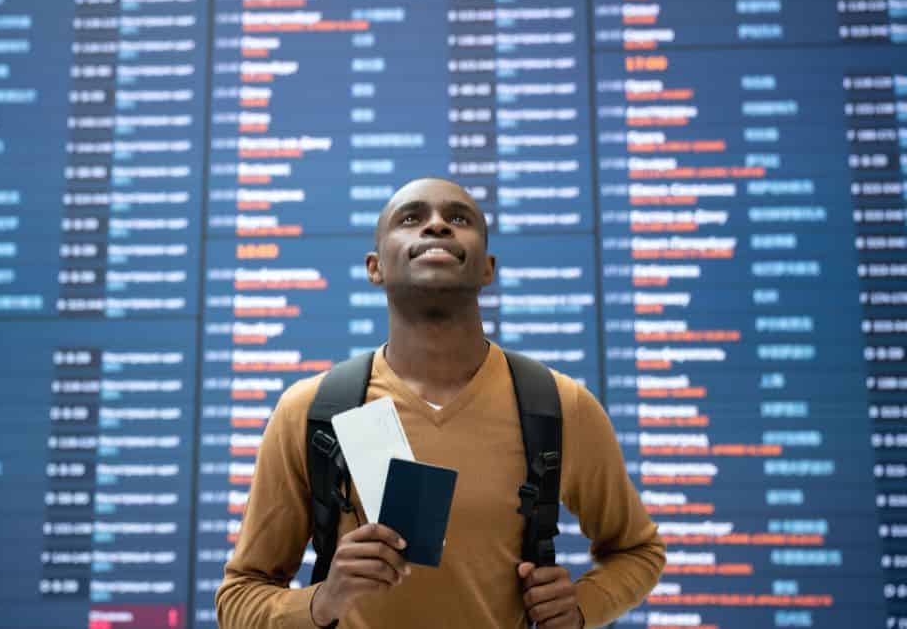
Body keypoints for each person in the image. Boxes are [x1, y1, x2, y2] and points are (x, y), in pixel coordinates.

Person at [216, 178, 666, 628]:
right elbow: (239, 598)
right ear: (375, 267)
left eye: (458, 218)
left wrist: (583, 606)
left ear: (488, 269)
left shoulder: (558, 406)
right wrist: (322, 602)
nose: (436, 227)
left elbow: (639, 551)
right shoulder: (313, 411)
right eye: (411, 218)